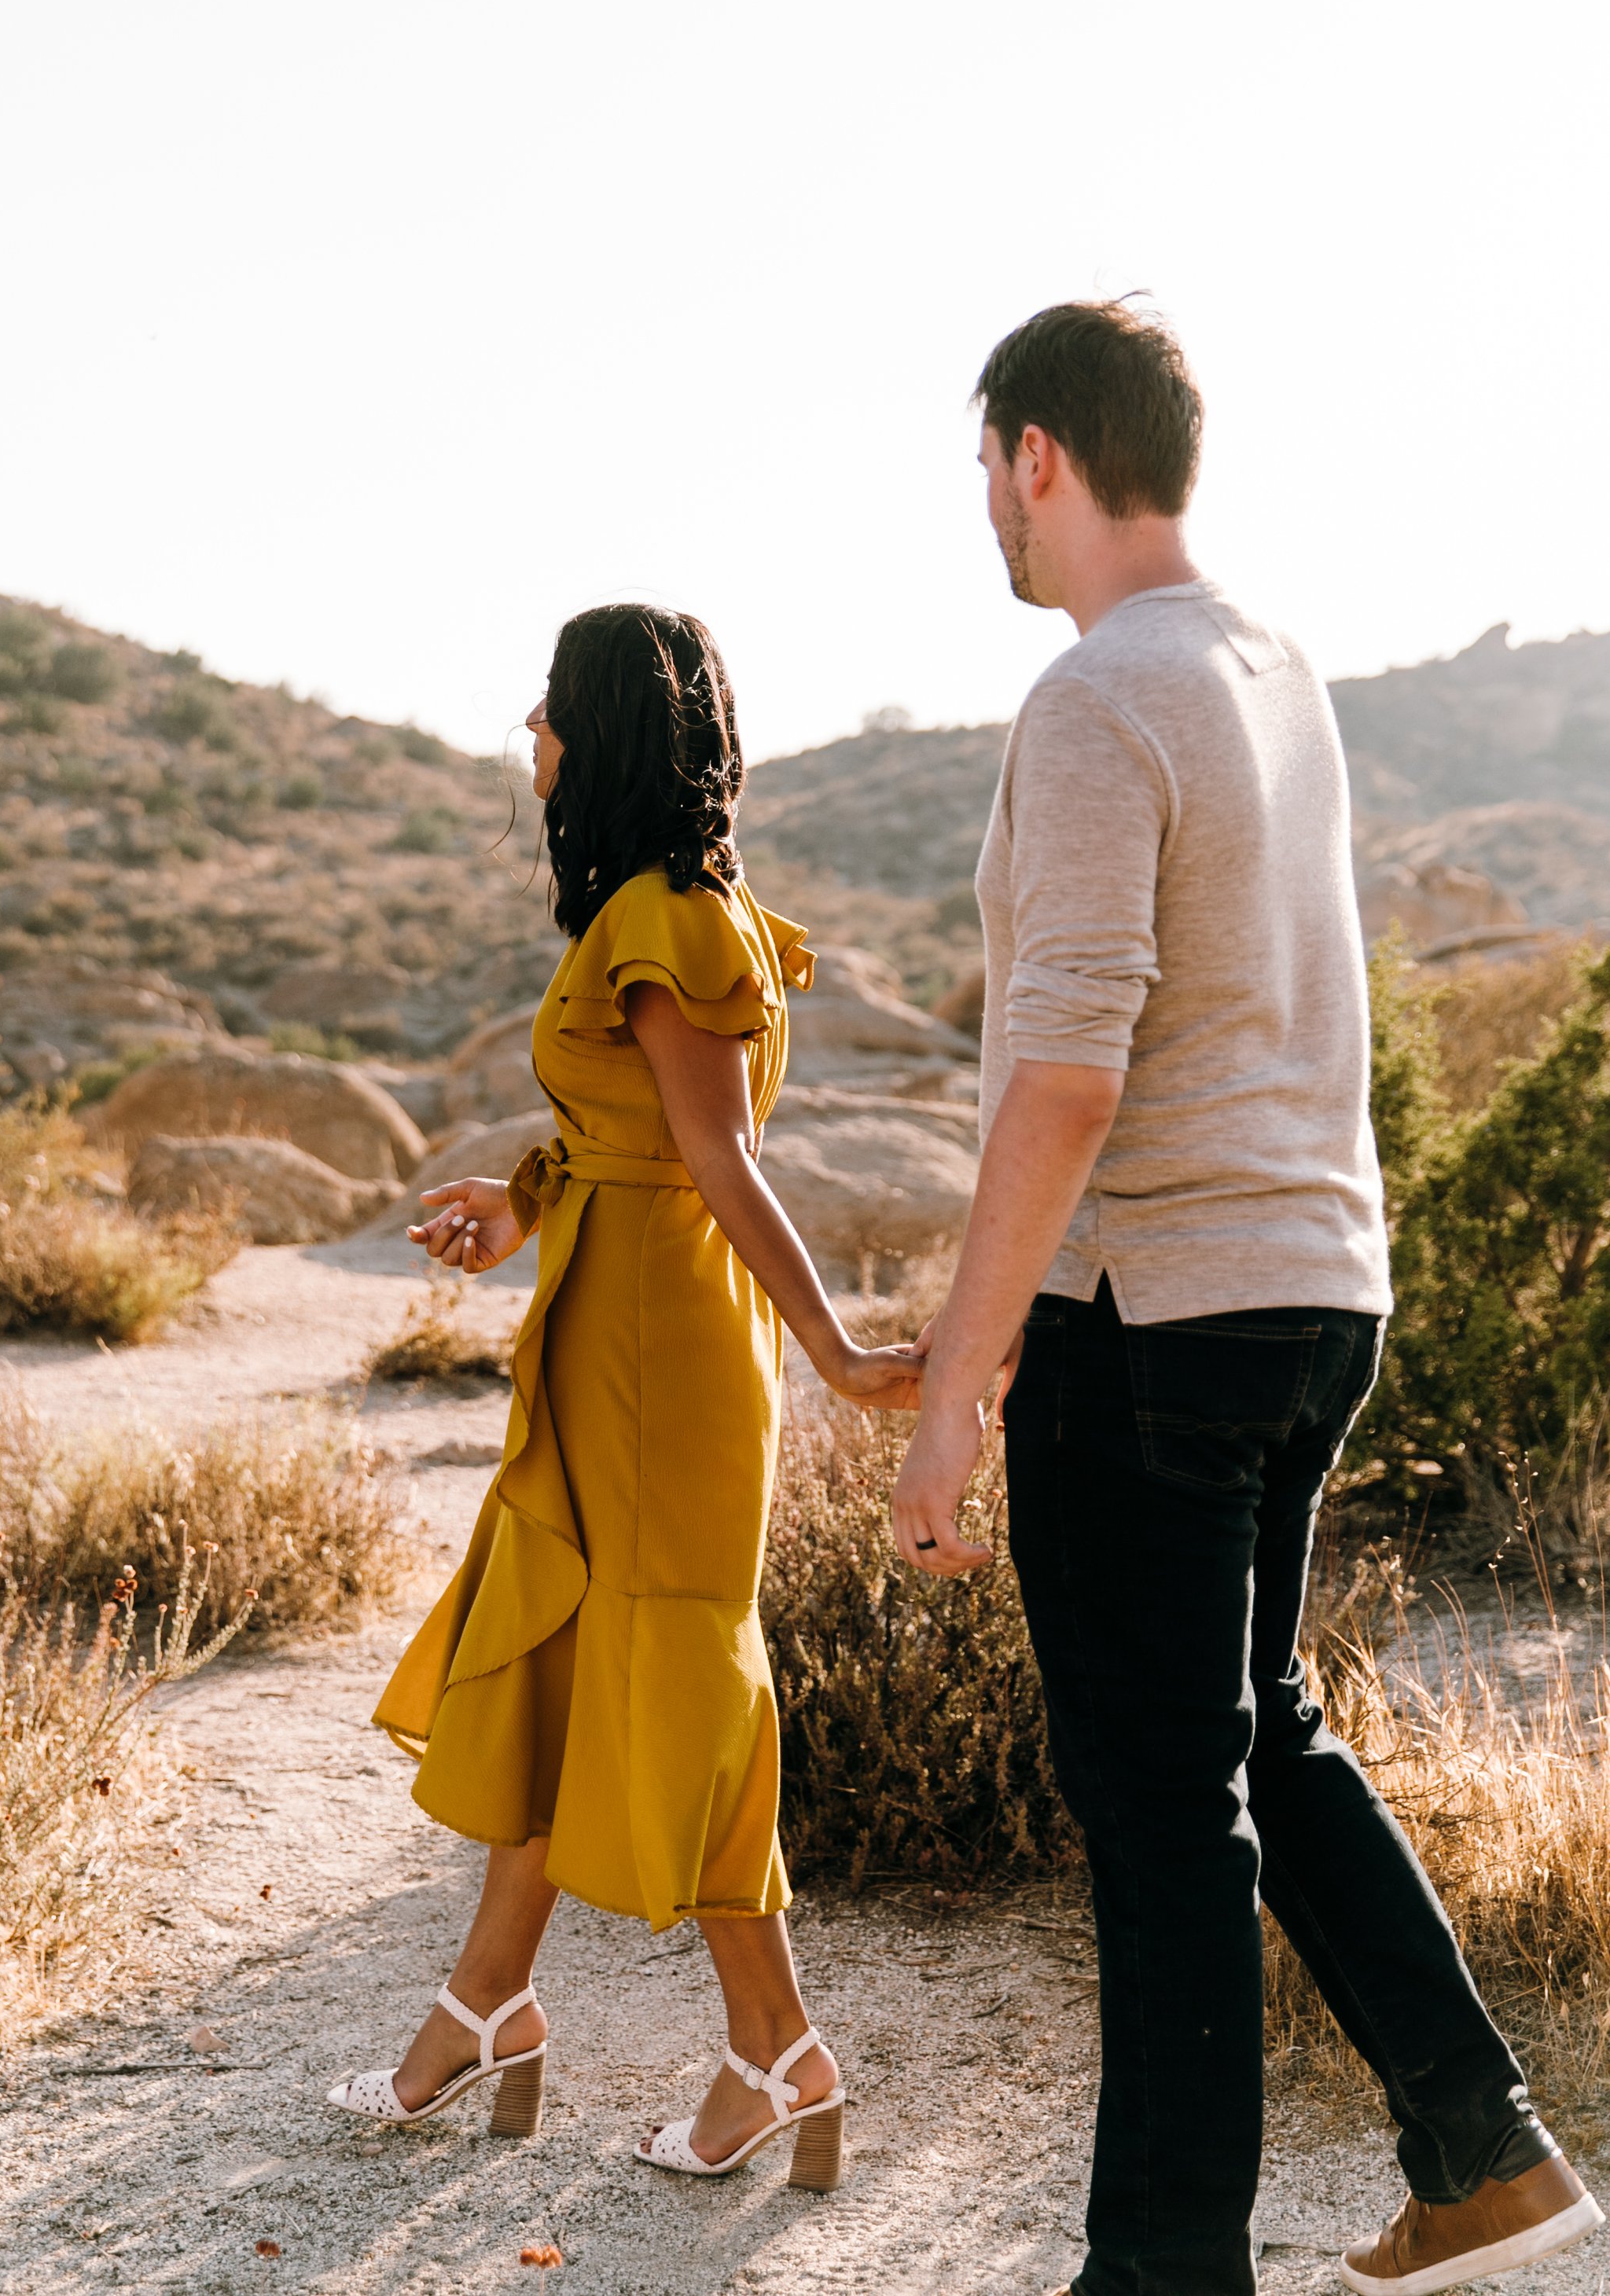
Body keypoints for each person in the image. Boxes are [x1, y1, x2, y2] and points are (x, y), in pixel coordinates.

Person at [891, 302, 1602, 2296]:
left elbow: (1064, 1070)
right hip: (1314, 1298)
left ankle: (1164, 2267)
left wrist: (961, 1372)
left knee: (1159, 1806)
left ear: (1036, 454)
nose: (986, 512)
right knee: (1258, 1735)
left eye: (982, 470)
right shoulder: (1274, 673)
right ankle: (1483, 2154)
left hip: (1159, 1319)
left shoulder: (1097, 698)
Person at [326, 601, 921, 2185]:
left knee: (668, 1680)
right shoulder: (647, 920)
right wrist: (521, 1197)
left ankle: (774, 2051)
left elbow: (719, 1162)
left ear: (601, 734)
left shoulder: (675, 919)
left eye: (547, 710)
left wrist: (840, 1350)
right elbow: (636, 1141)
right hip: (608, 1321)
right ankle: (487, 2006)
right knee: (571, 1660)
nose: (529, 734)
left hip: (664, 1349)